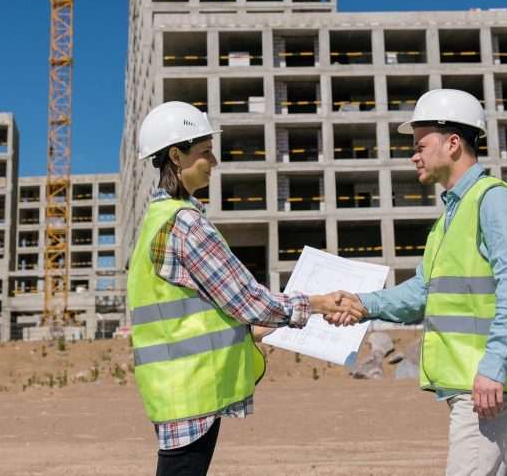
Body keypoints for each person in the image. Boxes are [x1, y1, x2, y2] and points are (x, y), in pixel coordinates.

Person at [329, 89, 507, 476]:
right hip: (476, 382)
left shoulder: (495, 202)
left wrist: (494, 367)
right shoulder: (453, 214)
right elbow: (423, 292)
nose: (414, 155)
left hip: (489, 384)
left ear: (453, 143)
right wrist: (361, 304)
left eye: (421, 144)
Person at [128, 101, 363, 476]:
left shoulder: (155, 222)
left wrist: (255, 327)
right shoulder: (186, 225)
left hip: (170, 387)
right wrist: (317, 303)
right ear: (176, 154)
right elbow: (247, 299)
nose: (214, 161)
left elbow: (200, 309)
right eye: (205, 152)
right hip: (193, 387)